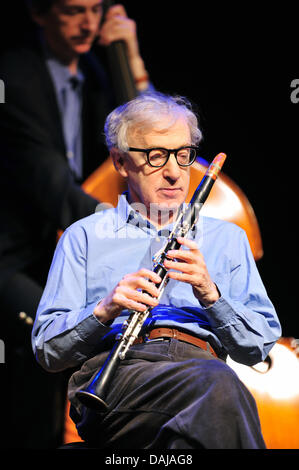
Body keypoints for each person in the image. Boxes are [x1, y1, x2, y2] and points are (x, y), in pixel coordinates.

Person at [32, 92, 281, 449]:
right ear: (120, 162)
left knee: (192, 434)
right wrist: (104, 310)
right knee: (220, 386)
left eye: (183, 155)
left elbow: (257, 346)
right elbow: (47, 349)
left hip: (201, 371)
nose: (174, 172)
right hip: (119, 378)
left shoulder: (228, 238)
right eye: (156, 156)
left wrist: (212, 295)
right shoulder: (83, 236)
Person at [0, 0, 152, 448]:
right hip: (14, 259)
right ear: (37, 11)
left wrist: (132, 56)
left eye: (95, 8)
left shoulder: (96, 74)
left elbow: (154, 135)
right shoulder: (13, 75)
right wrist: (122, 224)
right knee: (61, 342)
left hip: (66, 252)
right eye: (71, 10)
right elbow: (47, 178)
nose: (88, 22)